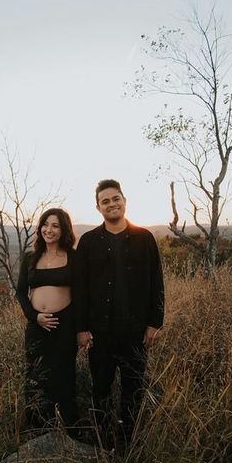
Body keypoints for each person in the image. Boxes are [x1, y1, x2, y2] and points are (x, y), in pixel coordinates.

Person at [74, 179, 164, 446]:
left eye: (116, 198)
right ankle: (103, 441)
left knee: (133, 389)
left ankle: (127, 441)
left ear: (125, 200)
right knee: (100, 389)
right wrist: (80, 328)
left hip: (135, 332)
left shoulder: (144, 238)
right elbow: (80, 288)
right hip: (99, 334)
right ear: (98, 207)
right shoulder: (89, 242)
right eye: (105, 201)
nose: (111, 204)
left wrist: (154, 323)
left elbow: (156, 282)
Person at [16, 207, 78, 429]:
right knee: (35, 375)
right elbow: (20, 292)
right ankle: (36, 428)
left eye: (55, 225)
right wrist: (35, 317)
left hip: (65, 326)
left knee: (64, 376)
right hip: (36, 327)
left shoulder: (73, 257)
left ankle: (68, 428)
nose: (49, 230)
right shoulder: (30, 257)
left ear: (63, 230)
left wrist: (81, 328)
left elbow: (82, 294)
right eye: (45, 224)